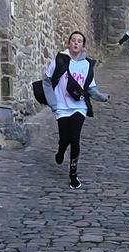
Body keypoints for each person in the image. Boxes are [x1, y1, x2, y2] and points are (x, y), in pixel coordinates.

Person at [43, 31, 109, 189]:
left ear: (83, 46)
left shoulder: (87, 65)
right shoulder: (59, 60)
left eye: (79, 41)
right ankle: (60, 150)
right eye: (73, 40)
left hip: (79, 106)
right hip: (61, 107)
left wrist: (101, 96)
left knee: (75, 139)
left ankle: (73, 174)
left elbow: (90, 87)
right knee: (65, 138)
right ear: (68, 44)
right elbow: (46, 82)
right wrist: (53, 104)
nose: (76, 43)